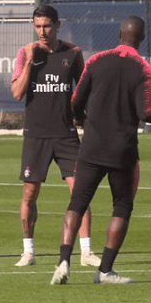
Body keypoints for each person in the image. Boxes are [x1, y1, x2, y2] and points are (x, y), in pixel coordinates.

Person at [51, 16, 151, 285]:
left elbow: (75, 100)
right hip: (123, 150)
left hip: (91, 147)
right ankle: (105, 271)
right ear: (142, 38)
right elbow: (146, 112)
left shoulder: (96, 60)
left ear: (119, 34)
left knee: (77, 202)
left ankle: (63, 263)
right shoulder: (143, 68)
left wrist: (81, 118)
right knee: (121, 207)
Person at [9, 5, 100, 267]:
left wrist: (83, 118)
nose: (42, 31)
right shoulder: (25, 53)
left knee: (79, 191)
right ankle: (28, 252)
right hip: (35, 136)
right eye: (37, 26)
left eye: (47, 25)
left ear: (57, 25)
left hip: (66, 136)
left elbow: (83, 91)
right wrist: (28, 62)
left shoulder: (73, 53)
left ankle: (86, 252)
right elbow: (16, 93)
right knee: (30, 194)